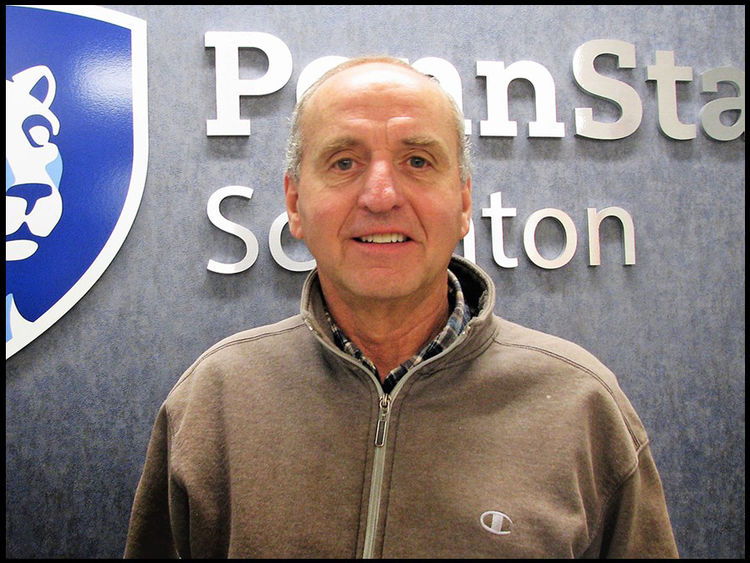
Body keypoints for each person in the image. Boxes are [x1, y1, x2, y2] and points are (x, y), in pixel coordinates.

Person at [124, 56, 679, 558]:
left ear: (463, 202)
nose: (382, 195)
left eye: (417, 160)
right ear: (295, 203)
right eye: (344, 163)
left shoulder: (582, 408)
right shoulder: (214, 400)